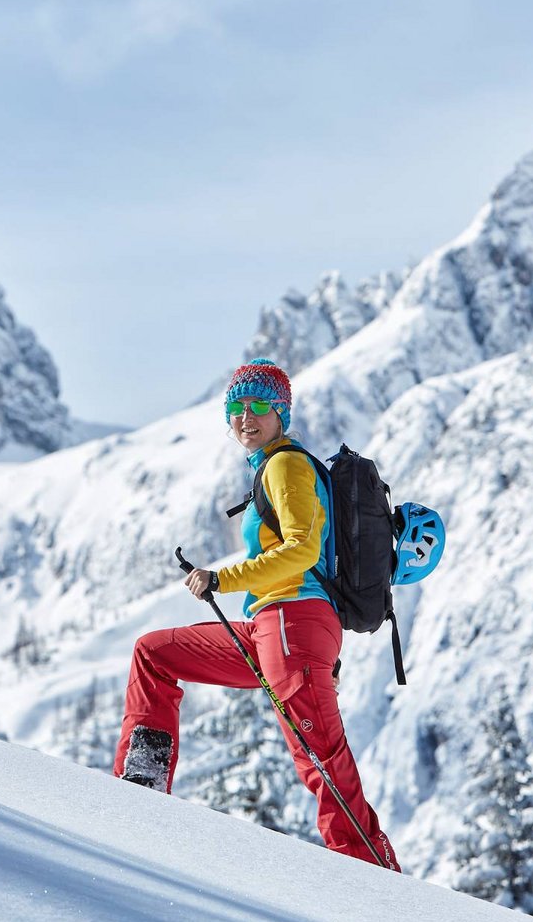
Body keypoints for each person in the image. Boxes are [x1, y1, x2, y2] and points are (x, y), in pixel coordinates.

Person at [112, 358, 399, 870]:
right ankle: (141, 785)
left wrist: (223, 579)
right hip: (271, 627)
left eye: (260, 405)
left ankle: (375, 877)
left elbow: (302, 551)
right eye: (236, 407)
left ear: (280, 413)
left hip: (294, 622)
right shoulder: (270, 465)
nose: (247, 416)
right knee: (154, 654)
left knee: (321, 761)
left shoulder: (287, 464)